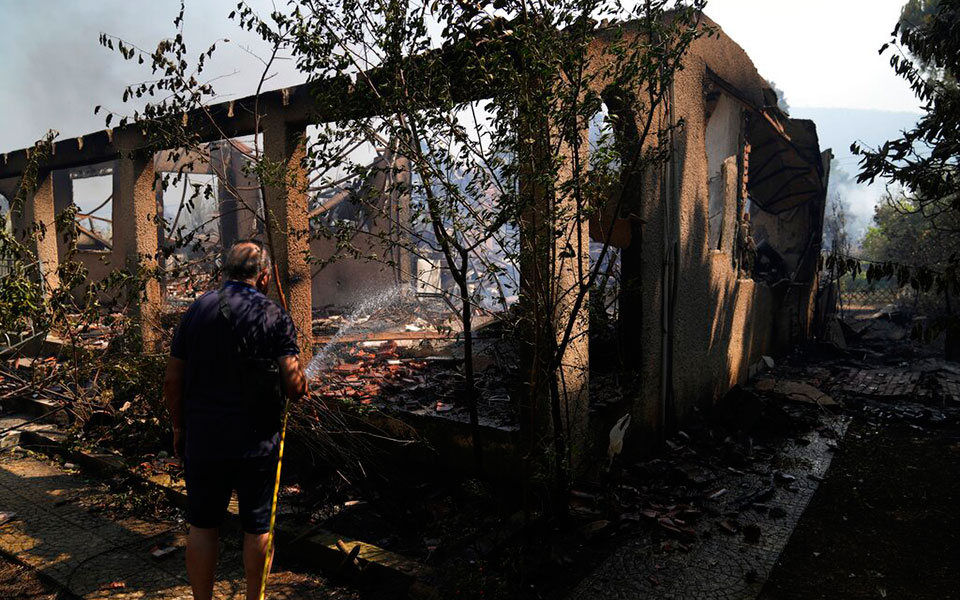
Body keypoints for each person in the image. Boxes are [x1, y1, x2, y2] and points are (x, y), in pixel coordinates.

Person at [163, 240, 307, 600]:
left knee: (202, 527)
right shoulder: (274, 315)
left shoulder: (197, 311)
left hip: (204, 439)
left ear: (224, 273)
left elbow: (172, 380)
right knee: (257, 528)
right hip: (256, 443)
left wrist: (179, 428)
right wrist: (302, 380)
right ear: (263, 277)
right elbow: (293, 387)